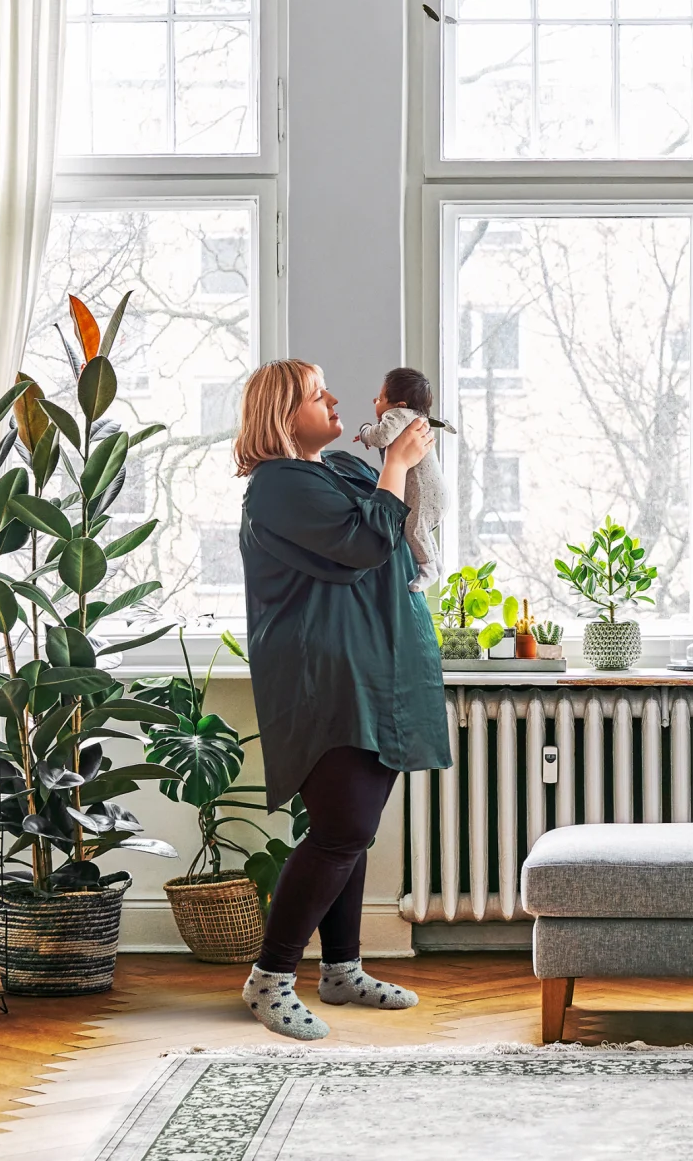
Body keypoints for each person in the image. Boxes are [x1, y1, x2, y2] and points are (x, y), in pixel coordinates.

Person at [230, 359, 450, 1039]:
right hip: (325, 679)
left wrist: (403, 460)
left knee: (347, 832)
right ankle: (270, 976)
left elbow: (402, 524)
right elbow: (363, 542)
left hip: (377, 673)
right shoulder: (277, 487)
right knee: (342, 830)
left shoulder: (344, 471)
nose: (334, 397)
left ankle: (341, 968)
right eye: (314, 392)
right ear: (279, 413)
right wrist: (396, 465)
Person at [354, 367, 443, 592]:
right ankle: (435, 561)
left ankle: (428, 569)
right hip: (435, 492)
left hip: (423, 492)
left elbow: (381, 436)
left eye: (380, 398)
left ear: (400, 405)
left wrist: (365, 431)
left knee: (414, 530)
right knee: (421, 528)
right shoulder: (417, 418)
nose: (375, 401)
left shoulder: (397, 416)